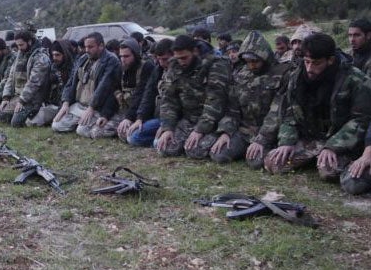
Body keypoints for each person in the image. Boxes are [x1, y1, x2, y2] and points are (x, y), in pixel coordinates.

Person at [264, 33, 371, 181]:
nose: (309, 68)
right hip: (312, 138)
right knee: (273, 163)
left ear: (330, 60)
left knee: (328, 172)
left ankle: (333, 159)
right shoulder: (297, 77)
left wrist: (333, 146)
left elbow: (360, 119)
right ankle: (315, 157)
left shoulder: (355, 79)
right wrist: (286, 142)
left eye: (316, 63)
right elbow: (290, 112)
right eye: (307, 61)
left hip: (341, 139)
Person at [200, 31, 292, 165]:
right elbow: (232, 109)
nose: (252, 65)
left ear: (264, 57)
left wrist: (262, 139)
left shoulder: (283, 73)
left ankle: (263, 149)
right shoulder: (241, 75)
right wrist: (226, 132)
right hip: (246, 130)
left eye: (255, 61)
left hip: (271, 132)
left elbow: (277, 112)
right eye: (248, 62)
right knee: (218, 155)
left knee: (255, 162)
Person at [154, 34, 231, 158]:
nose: (181, 62)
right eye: (178, 58)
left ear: (194, 51)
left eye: (184, 57)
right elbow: (169, 99)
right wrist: (167, 127)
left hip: (213, 120)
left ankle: (217, 137)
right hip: (189, 118)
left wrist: (200, 130)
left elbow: (215, 101)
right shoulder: (174, 65)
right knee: (165, 148)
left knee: (195, 151)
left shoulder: (215, 64)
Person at [52, 32, 121, 138]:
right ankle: (81, 121)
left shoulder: (111, 61)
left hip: (97, 107)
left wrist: (91, 107)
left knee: (82, 130)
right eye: (85, 47)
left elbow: (104, 86)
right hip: (79, 106)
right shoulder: (83, 59)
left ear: (101, 45)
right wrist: (66, 103)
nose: (87, 50)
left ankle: (107, 124)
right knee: (57, 125)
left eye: (91, 47)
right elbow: (71, 82)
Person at [0, 30, 51, 127]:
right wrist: (6, 97)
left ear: (29, 42)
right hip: (17, 96)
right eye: (17, 45)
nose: (19, 48)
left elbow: (34, 83)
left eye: (21, 45)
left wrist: (22, 101)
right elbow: (10, 77)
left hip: (32, 99)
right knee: (0, 118)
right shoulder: (19, 56)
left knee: (16, 123)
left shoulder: (41, 57)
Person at [127, 38, 173, 147]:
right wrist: (140, 118)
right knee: (131, 135)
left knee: (138, 139)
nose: (162, 63)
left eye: (166, 59)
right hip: (158, 116)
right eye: (159, 59)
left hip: (173, 118)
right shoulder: (158, 70)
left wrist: (167, 125)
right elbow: (148, 94)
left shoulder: (179, 72)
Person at [112, 39, 154, 141]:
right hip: (124, 110)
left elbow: (142, 94)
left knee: (130, 136)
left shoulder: (146, 67)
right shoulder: (120, 68)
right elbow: (114, 88)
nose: (123, 59)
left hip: (142, 112)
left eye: (126, 56)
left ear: (135, 55)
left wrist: (129, 117)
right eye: (121, 56)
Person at [26, 39, 75, 127]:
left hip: (68, 106)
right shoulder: (52, 67)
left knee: (58, 124)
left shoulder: (73, 68)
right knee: (30, 122)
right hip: (52, 105)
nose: (55, 58)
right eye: (53, 55)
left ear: (65, 54)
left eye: (57, 55)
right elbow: (44, 88)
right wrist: (37, 106)